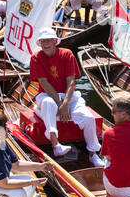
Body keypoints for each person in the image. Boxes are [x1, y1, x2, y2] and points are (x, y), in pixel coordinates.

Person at [30, 28, 105, 164]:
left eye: (48, 40)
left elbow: (71, 81)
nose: (45, 43)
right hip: (47, 95)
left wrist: (65, 104)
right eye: (42, 41)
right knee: (48, 103)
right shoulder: (36, 57)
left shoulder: (67, 54)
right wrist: (61, 103)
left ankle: (93, 154)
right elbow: (43, 82)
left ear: (55, 41)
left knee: (88, 118)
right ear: (39, 43)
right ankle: (56, 145)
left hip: (69, 95)